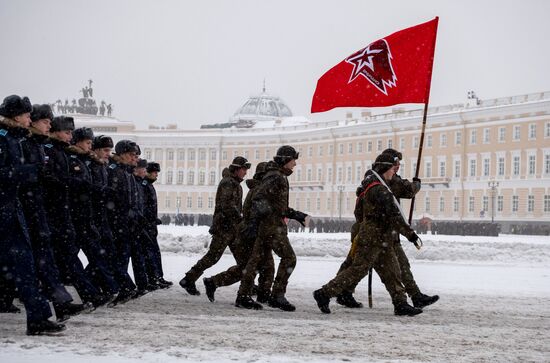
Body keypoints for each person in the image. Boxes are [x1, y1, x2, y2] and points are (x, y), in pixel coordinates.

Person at [313, 153, 423, 316]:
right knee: (358, 269)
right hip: (372, 237)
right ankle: (324, 293)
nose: (395, 172)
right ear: (386, 168)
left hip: (382, 237)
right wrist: (411, 235)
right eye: (393, 168)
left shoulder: (376, 185)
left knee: (392, 271)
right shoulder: (379, 189)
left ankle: (400, 303)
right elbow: (394, 216)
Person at [20, 104, 92, 322]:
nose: (48, 125)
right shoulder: (30, 145)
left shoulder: (43, 146)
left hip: (45, 212)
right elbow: (31, 178)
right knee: (30, 264)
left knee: (47, 261)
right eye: (46, 122)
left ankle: (58, 306)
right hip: (32, 212)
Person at [0, 95, 65, 335]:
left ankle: (38, 318)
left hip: (12, 210)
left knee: (25, 265)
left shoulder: (15, 139)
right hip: (5, 210)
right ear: (17, 116)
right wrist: (29, 171)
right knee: (22, 265)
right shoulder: (4, 138)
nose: (30, 119)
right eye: (27, 115)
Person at [44, 117, 114, 309]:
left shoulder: (74, 158)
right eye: (67, 132)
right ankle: (92, 293)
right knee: (56, 260)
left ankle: (82, 296)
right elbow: (55, 181)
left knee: (63, 260)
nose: (69, 136)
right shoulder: (58, 153)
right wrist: (83, 187)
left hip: (71, 215)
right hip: (62, 215)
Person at [238, 146, 307, 311]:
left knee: (254, 263)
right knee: (289, 258)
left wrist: (295, 214)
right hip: (272, 227)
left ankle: (244, 296)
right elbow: (260, 198)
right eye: (293, 160)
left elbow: (277, 205)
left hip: (269, 226)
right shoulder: (276, 177)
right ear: (285, 160)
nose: (295, 164)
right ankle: (277, 295)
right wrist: (268, 217)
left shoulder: (277, 175)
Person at [203, 162, 274, 304]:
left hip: (251, 233)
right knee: (255, 267)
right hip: (251, 234)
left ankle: (216, 282)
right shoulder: (258, 191)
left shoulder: (259, 189)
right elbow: (254, 213)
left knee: (252, 267)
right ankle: (254, 294)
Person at [179, 157, 250, 296]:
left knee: (244, 261)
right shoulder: (228, 183)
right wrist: (239, 219)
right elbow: (226, 205)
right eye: (243, 170)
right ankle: (189, 278)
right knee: (213, 257)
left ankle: (248, 284)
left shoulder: (234, 183)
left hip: (232, 229)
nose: (245, 173)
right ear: (236, 169)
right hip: (224, 228)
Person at [142, 162, 172, 288]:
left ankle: (158, 277)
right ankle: (153, 278)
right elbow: (144, 206)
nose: (156, 176)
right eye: (155, 173)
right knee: (149, 253)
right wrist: (151, 219)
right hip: (146, 225)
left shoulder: (149, 186)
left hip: (151, 225)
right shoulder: (144, 186)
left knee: (154, 252)